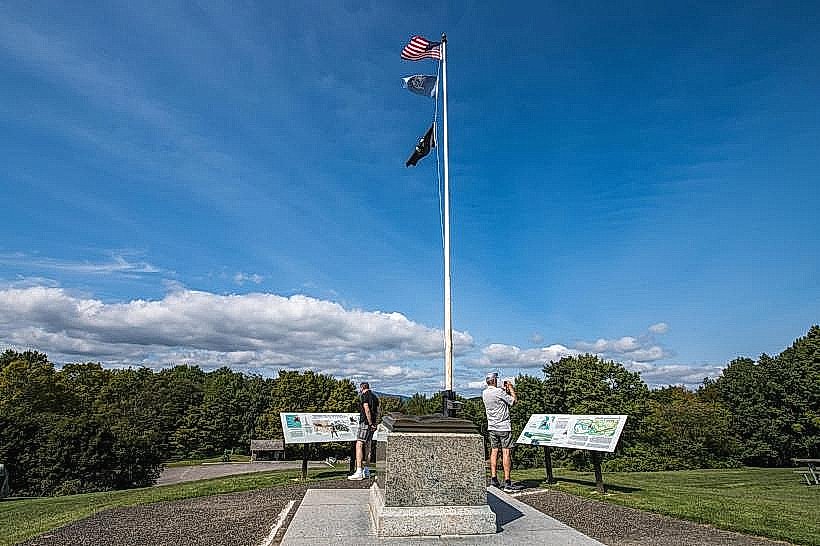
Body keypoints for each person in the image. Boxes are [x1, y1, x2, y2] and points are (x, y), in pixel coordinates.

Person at [482, 371, 522, 492]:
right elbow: (513, 401)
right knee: (506, 453)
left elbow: (498, 397)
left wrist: (503, 391)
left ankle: (494, 479)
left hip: (492, 426)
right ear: (494, 380)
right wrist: (510, 388)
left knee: (494, 452)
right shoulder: (499, 392)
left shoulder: (485, 393)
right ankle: (507, 482)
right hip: (504, 427)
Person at [348, 381, 380, 480]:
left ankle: (358, 471)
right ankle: (366, 470)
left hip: (366, 423)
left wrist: (369, 422)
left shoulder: (364, 396)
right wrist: (375, 424)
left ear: (362, 388)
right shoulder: (375, 397)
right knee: (368, 446)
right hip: (373, 424)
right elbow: (378, 411)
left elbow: (367, 409)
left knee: (359, 444)